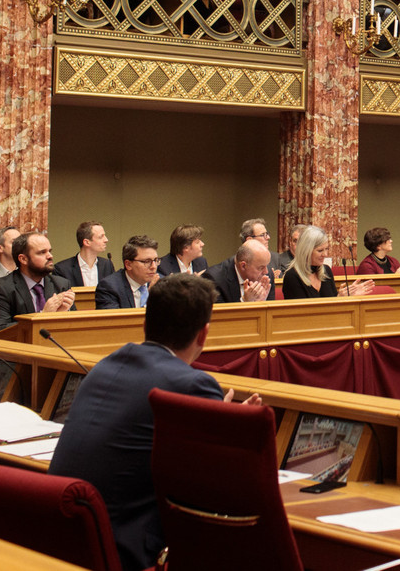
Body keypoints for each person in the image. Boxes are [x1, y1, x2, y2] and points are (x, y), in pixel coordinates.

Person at [49, 273, 260, 571]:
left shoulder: (105, 365)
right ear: (203, 335)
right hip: (123, 549)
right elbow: (216, 484)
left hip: (61, 539)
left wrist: (214, 417)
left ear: (145, 324)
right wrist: (228, 427)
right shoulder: (193, 385)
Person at [0, 232, 77, 331]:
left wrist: (65, 314)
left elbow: (74, 326)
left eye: (50, 251)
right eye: (42, 252)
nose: (50, 256)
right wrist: (43, 316)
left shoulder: (61, 284)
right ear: (23, 259)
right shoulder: (1, 288)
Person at [283, 226, 374, 299]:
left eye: (326, 249)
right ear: (306, 251)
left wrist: (345, 298)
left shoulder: (326, 271)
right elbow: (302, 314)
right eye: (320, 250)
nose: (325, 254)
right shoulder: (292, 276)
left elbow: (333, 306)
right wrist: (338, 299)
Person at [96, 235, 161, 309]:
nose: (153, 266)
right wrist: (150, 299)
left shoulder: (162, 284)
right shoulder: (109, 287)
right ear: (128, 264)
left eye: (156, 260)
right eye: (146, 261)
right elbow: (114, 320)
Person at [202, 239, 274, 303]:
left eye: (266, 265)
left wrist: (261, 304)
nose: (266, 272)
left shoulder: (267, 276)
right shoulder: (213, 279)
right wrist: (244, 301)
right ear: (243, 266)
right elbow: (219, 316)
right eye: (261, 268)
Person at [55, 221, 114, 287]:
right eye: (101, 237)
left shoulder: (107, 265)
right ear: (87, 242)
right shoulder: (62, 269)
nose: (106, 240)